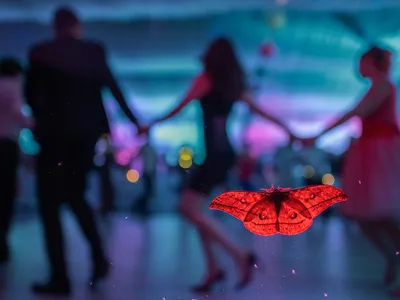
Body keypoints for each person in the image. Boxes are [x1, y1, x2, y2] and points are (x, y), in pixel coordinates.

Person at [140, 37, 297, 292]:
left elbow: (178, 107)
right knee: (196, 210)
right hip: (225, 154)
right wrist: (288, 128)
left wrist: (150, 124)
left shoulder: (205, 80)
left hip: (214, 155)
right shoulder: (233, 85)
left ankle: (240, 255)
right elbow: (260, 111)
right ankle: (213, 269)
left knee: (188, 208)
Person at [25, 7, 140, 296]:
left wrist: (42, 117)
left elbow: (30, 95)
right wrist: (135, 121)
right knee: (76, 196)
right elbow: (112, 87)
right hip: (85, 137)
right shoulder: (94, 51)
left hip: (53, 138)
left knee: (49, 205)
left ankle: (60, 277)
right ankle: (99, 256)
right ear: (78, 26)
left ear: (55, 26)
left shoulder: (40, 52)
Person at [304, 47, 400, 297]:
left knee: (381, 211)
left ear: (373, 62)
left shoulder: (383, 87)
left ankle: (394, 258)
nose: (358, 66)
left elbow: (356, 112)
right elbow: (356, 112)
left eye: (362, 61)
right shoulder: (377, 87)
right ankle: (393, 257)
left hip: (380, 152)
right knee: (366, 213)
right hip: (371, 150)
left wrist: (318, 134)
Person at [0, 58, 30, 263]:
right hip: (5, 146)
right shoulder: (14, 86)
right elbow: (17, 114)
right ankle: (1, 242)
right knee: (6, 194)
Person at [132, 134, 157, 216]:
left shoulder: (149, 148)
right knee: (148, 192)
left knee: (149, 192)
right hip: (147, 173)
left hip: (150, 173)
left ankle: (141, 208)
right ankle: (140, 208)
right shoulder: (148, 148)